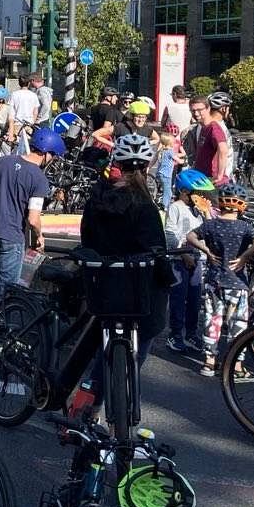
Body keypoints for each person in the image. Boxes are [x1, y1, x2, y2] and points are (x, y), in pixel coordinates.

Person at [80, 134, 173, 382]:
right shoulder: (145, 206)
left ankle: (91, 393)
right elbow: (156, 249)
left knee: (100, 342)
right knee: (143, 338)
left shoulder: (97, 199)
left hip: (103, 284)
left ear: (117, 164)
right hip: (137, 289)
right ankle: (120, 385)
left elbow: (87, 240)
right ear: (146, 167)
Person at [0, 128, 61, 311]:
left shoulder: (5, 161)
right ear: (46, 153)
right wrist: (39, 236)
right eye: (53, 156)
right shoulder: (39, 179)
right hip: (11, 236)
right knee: (6, 287)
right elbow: (33, 219)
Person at [186, 184, 254, 377]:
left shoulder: (211, 225)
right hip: (237, 283)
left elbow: (190, 236)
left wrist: (206, 250)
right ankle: (235, 365)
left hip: (214, 281)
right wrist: (244, 257)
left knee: (212, 320)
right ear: (241, 206)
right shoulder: (244, 227)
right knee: (238, 323)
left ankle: (209, 361)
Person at [162, 169, 214, 354]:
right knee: (178, 298)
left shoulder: (199, 210)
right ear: (185, 191)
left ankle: (191, 333)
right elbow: (170, 234)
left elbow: (210, 232)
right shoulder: (176, 207)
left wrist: (207, 213)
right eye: (198, 193)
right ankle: (175, 334)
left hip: (198, 259)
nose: (201, 196)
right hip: (179, 259)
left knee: (194, 299)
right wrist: (184, 255)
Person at [192, 91, 233, 185]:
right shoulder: (207, 126)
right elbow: (223, 150)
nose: (196, 114)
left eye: (200, 110)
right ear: (224, 109)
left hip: (212, 179)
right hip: (208, 178)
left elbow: (223, 150)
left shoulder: (213, 127)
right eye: (193, 111)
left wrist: (220, 176)